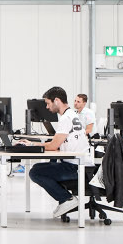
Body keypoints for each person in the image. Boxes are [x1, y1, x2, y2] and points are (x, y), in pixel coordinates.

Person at [26, 86, 96, 218]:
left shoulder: (65, 118)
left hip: (76, 168)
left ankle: (67, 199)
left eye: (48, 103)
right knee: (38, 167)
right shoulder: (72, 115)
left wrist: (32, 144)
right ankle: (66, 198)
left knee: (35, 172)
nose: (47, 107)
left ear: (56, 100)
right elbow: (58, 145)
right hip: (81, 165)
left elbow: (53, 146)